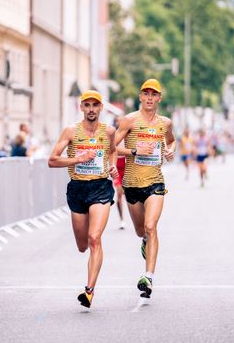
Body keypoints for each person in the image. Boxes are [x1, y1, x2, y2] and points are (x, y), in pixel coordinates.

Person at [48, 90, 118, 309]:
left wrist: (113, 166)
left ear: (100, 108)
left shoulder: (109, 131)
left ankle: (89, 291)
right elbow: (52, 160)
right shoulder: (71, 132)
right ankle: (89, 270)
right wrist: (78, 158)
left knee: (94, 237)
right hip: (78, 189)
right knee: (82, 245)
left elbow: (113, 151)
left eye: (94, 105)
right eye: (86, 105)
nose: (91, 109)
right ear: (81, 108)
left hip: (100, 188)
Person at [115, 79, 176, 299]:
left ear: (159, 98)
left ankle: (148, 278)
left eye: (154, 94)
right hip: (131, 184)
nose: (149, 98)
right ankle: (144, 241)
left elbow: (171, 141)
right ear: (140, 97)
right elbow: (113, 145)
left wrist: (169, 151)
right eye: (146, 94)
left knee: (151, 226)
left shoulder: (165, 123)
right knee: (141, 231)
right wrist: (134, 151)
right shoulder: (129, 120)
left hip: (155, 182)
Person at [112, 116, 126, 230]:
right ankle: (122, 220)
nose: (118, 123)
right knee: (119, 194)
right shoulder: (112, 135)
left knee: (130, 194)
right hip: (117, 165)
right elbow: (110, 151)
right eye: (117, 121)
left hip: (127, 166)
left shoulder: (128, 134)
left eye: (120, 120)